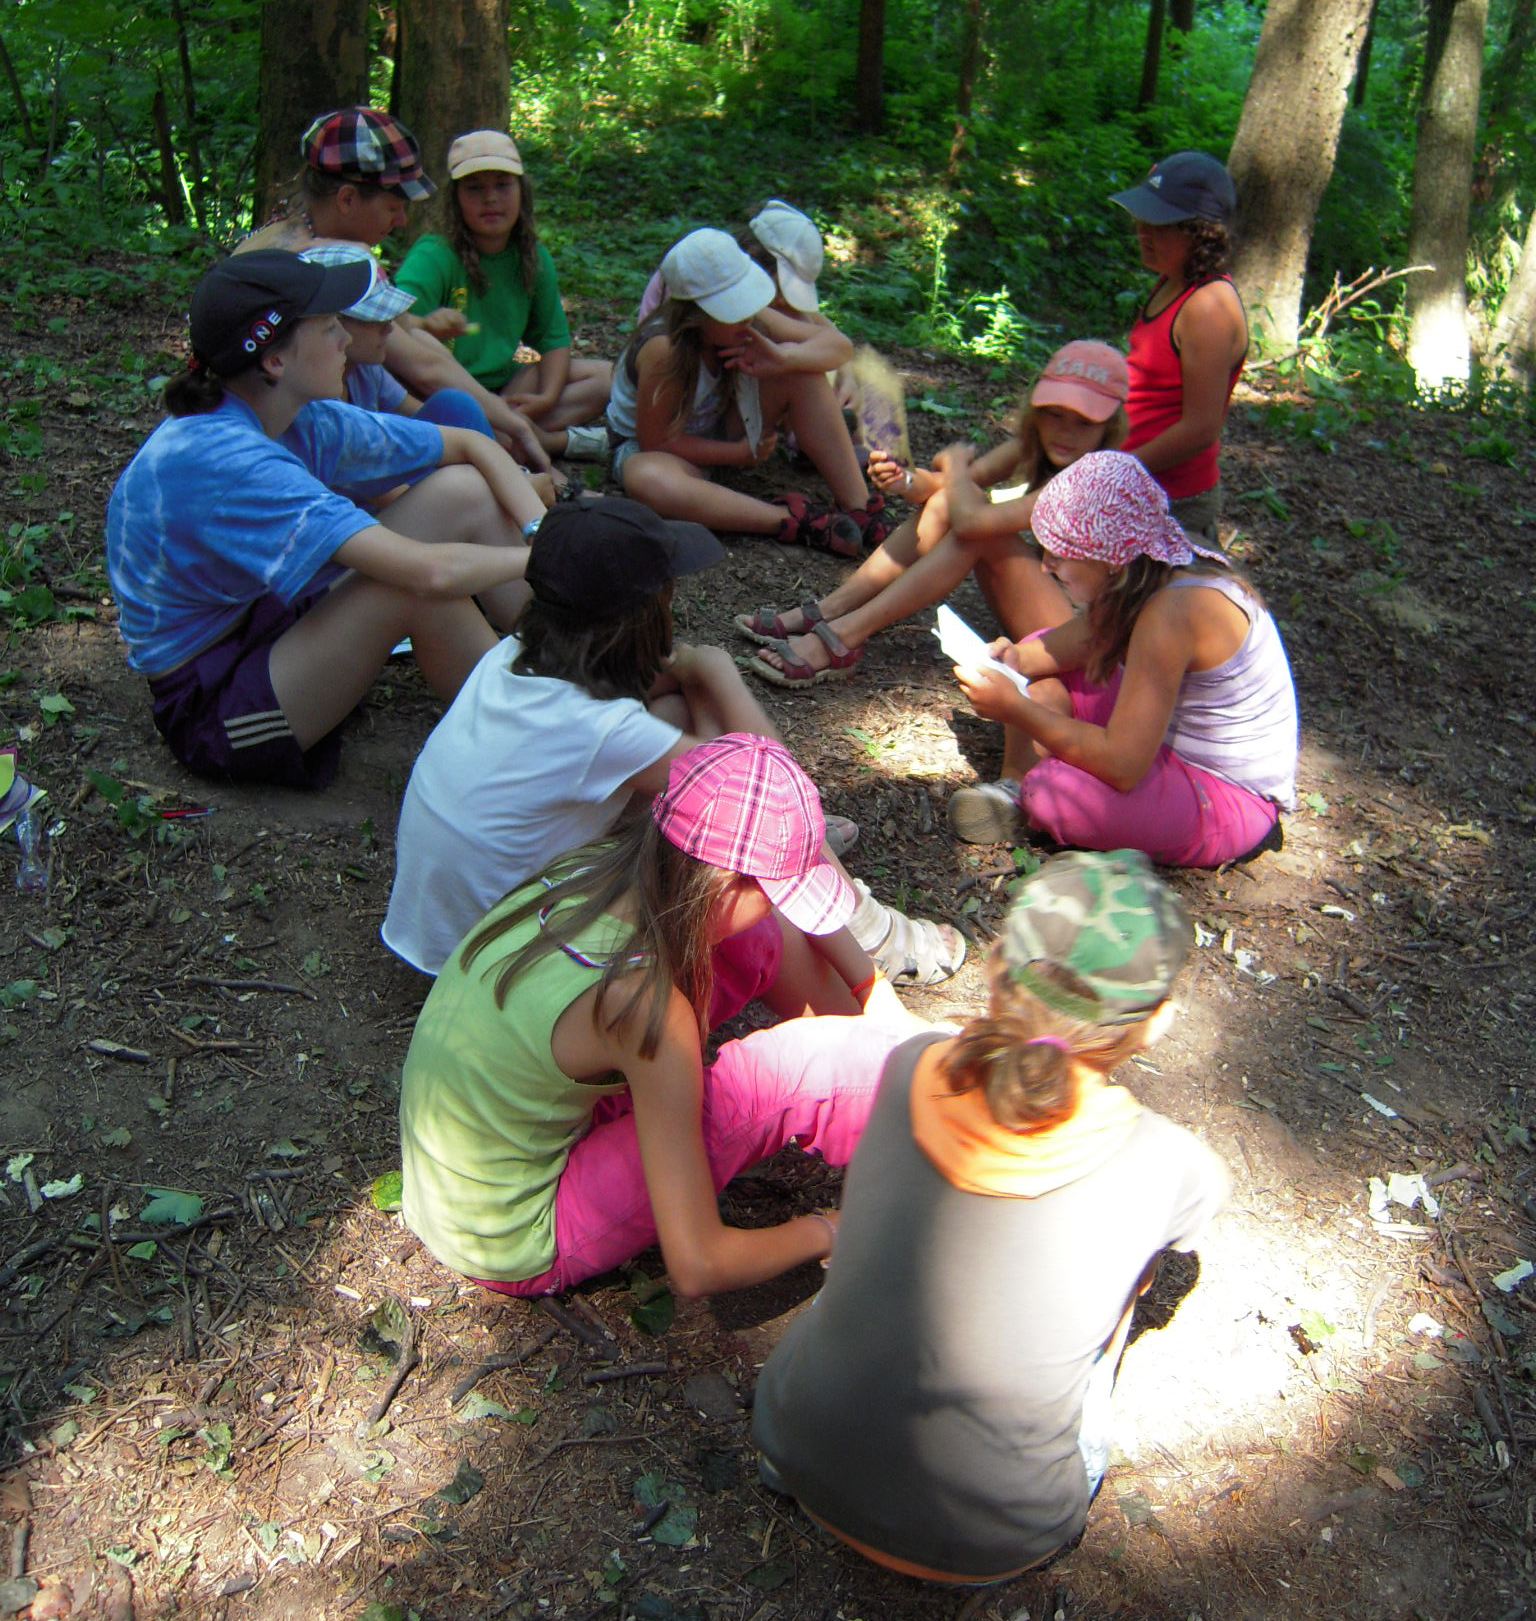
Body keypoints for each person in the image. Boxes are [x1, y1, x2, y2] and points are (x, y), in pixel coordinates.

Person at [752, 849, 1229, 1584]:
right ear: (1156, 1022)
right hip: (992, 1539)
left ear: (1000, 966)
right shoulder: (1171, 1164)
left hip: (794, 1447)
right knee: (1127, 1281)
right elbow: (1169, 1242)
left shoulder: (912, 1063)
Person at [399, 733, 931, 1300]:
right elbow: (700, 1264)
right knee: (786, 1074)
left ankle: (895, 1066)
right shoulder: (645, 1004)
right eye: (775, 893)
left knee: (760, 938)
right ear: (726, 885)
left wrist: (875, 994)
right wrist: (831, 1231)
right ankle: (930, 1122)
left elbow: (781, 908)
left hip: (461, 1179)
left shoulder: (602, 867)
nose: (777, 906)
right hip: (514, 1235)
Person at [382, 497, 962, 987]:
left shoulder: (513, 658)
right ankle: (869, 930)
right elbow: (779, 792)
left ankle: (802, 866)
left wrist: (690, 683)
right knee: (759, 822)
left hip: (441, 936)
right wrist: (716, 671)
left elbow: (656, 702)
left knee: (675, 710)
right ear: (641, 614)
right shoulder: (603, 730)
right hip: (502, 967)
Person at [105, 250, 547, 790]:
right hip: (215, 706)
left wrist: (542, 532)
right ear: (274, 361)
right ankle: (541, 740)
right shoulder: (228, 462)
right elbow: (428, 573)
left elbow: (471, 444)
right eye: (330, 325)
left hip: (269, 623)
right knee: (405, 587)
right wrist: (547, 556)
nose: (345, 338)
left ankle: (574, 658)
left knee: (462, 491)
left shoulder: (296, 416)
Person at [945, 451, 1297, 862]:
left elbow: (1123, 765)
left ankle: (1028, 793)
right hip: (1163, 743)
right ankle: (1013, 788)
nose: (1046, 566)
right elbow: (1066, 645)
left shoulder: (1174, 613)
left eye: (1061, 554)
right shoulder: (1149, 563)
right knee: (1036, 657)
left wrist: (1017, 709)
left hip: (1223, 795)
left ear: (1109, 559)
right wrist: (1012, 661)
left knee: (1055, 793)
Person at [736, 341, 1128, 689]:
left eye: (1084, 422)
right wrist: (906, 480)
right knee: (949, 503)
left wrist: (955, 468)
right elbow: (950, 489)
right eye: (1054, 414)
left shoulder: (1095, 481)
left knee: (980, 530)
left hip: (1082, 636)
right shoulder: (1035, 446)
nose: (1065, 431)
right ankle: (831, 610)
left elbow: (971, 517)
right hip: (1052, 609)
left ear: (1110, 427)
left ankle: (845, 633)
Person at [240, 106, 554, 472]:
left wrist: (423, 325)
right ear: (346, 200)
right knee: (462, 423)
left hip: (339, 435)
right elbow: (422, 366)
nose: (403, 220)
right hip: (301, 458)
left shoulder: (315, 239)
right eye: (393, 207)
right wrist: (513, 424)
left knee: (460, 411)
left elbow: (411, 338)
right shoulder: (312, 266)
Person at [636, 200, 889, 548]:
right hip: (675, 456)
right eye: (735, 310)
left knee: (803, 373)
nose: (749, 317)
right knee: (646, 476)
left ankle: (859, 508)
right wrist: (740, 454)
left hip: (725, 426)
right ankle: (791, 520)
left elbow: (838, 346)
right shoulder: (663, 348)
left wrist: (784, 359)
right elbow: (656, 441)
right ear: (698, 316)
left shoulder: (750, 316)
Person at [394, 130, 612, 462]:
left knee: (606, 378)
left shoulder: (532, 256)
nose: (491, 199)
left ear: (522, 191)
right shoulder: (433, 255)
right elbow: (396, 330)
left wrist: (547, 397)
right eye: (475, 188)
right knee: (474, 420)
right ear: (455, 199)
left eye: (503, 185)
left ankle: (519, 438)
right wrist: (426, 324)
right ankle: (510, 440)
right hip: (447, 390)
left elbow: (552, 340)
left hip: (510, 390)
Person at [1110, 151, 1248, 541]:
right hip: (1128, 477)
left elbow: (1200, 428)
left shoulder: (1208, 307)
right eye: (1142, 219)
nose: (1143, 232)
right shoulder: (1172, 282)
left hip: (1169, 499)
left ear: (1201, 234)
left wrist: (1113, 471)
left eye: (1160, 225)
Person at [296, 242, 496, 438]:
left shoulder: (364, 370)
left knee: (454, 406)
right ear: (332, 322)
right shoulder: (314, 394)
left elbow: (423, 415)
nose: (389, 327)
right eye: (375, 318)